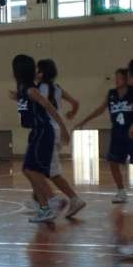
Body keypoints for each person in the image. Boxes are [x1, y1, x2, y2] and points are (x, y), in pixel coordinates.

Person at [12, 54, 70, 223]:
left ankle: (52, 201)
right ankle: (45, 208)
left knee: (31, 170)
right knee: (28, 170)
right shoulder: (24, 88)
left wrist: (64, 129)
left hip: (43, 131)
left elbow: (50, 108)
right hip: (36, 132)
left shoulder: (31, 90)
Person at [35, 58, 86, 218]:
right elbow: (75, 103)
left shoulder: (38, 89)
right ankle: (41, 199)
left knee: (49, 172)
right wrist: (71, 113)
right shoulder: (57, 88)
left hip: (48, 131)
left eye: (37, 69)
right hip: (56, 130)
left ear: (41, 73)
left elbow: (43, 107)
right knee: (40, 169)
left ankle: (70, 199)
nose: (34, 71)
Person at [75, 68, 133, 203]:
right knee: (113, 162)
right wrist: (84, 121)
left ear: (126, 79)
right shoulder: (111, 93)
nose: (116, 80)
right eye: (116, 77)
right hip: (117, 133)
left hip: (131, 133)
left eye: (119, 77)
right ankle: (121, 191)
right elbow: (100, 109)